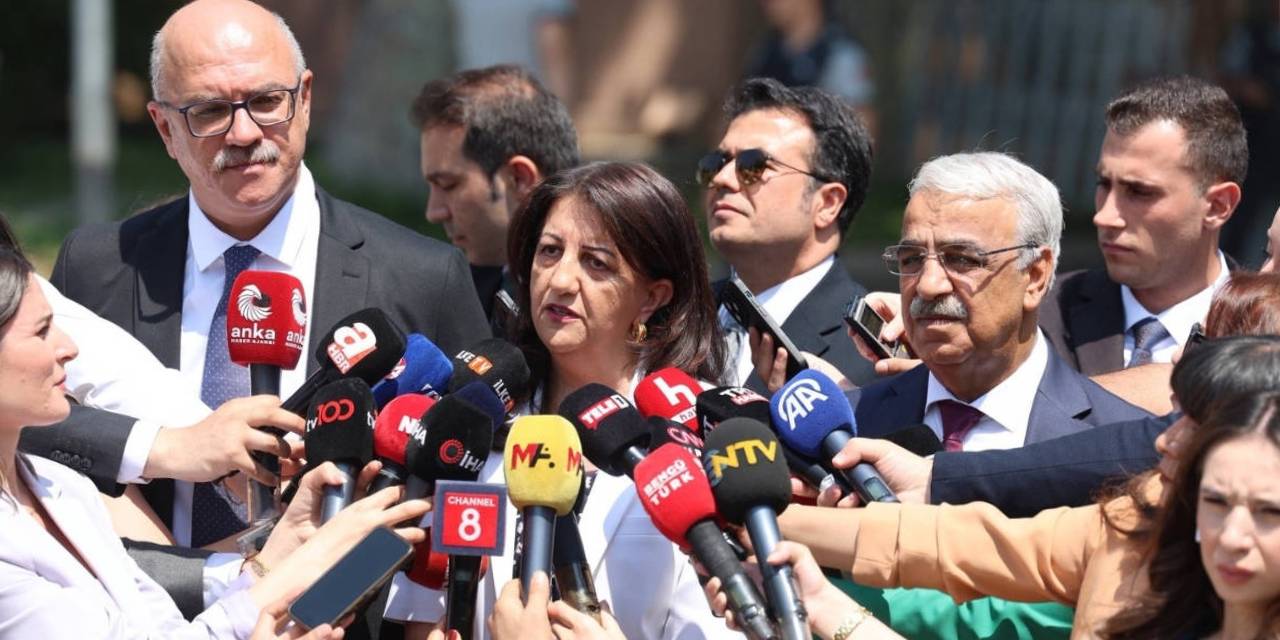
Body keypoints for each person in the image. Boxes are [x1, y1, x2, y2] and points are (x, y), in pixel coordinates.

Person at [44, 0, 489, 624]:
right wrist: (165, 448)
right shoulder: (97, 267)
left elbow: (467, 491)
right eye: (209, 111)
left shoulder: (422, 277)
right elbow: (34, 431)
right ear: (165, 128)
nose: (244, 133)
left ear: (304, 100)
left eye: (266, 101)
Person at [0, 245, 432, 638]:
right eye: (42, 332)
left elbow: (161, 629)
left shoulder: (63, 487)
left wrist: (279, 552)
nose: (70, 348)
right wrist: (309, 561)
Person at [388, 161, 733, 639]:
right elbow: (421, 610)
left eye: (597, 263)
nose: (561, 280)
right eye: (550, 252)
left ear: (652, 297)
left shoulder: (702, 431)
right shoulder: (471, 417)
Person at [778, 335, 1280, 638]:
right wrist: (764, 520)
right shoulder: (1136, 521)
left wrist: (835, 614)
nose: (1164, 441)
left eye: (1268, 512)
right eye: (1218, 502)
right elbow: (956, 543)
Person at [840, 269, 1280, 520]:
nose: (1180, 354)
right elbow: (1033, 551)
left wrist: (936, 479)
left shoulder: (1147, 512)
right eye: (1265, 250)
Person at [837, 152, 1148, 447]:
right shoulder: (846, 428)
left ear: (1035, 276)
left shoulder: (1122, 440)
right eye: (912, 259)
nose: (928, 285)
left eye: (961, 259)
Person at [1039, 76, 1245, 376]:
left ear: (1217, 206)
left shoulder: (1263, 334)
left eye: (1139, 192)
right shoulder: (1038, 318)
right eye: (1103, 183)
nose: (1105, 216)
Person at [701, 77, 875, 393]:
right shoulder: (674, 316)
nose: (722, 179)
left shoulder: (872, 352)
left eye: (752, 165)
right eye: (716, 163)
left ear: (828, 203)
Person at [410, 64, 580, 327]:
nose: (433, 212)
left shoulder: (599, 302)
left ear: (519, 178)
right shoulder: (456, 290)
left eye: (448, 185)